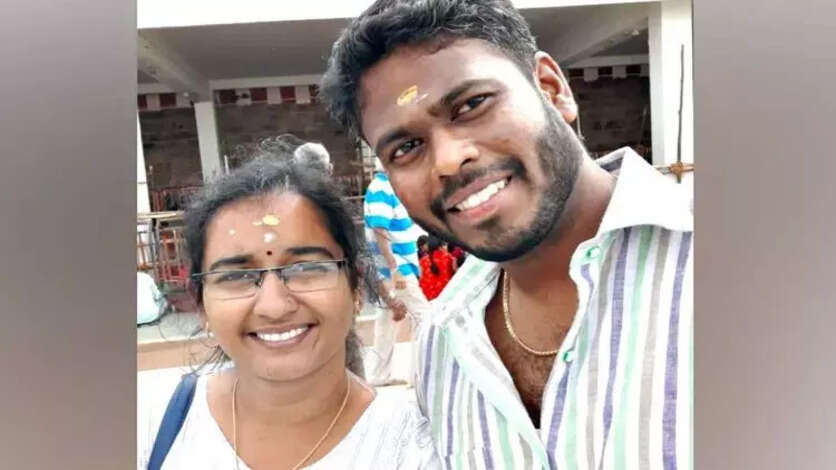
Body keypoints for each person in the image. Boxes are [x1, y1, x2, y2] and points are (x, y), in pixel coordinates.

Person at [321, 1, 694, 469]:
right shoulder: (444, 341)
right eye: (407, 147)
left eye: (471, 105)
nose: (448, 160)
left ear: (551, 89)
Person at [137, 150, 440, 470]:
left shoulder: (413, 451)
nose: (274, 306)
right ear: (201, 305)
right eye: (237, 276)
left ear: (355, 288)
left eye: (306, 268)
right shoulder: (152, 427)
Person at [362, 157, 430, 386]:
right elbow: (379, 230)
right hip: (397, 266)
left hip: (394, 265)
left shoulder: (384, 187)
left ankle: (379, 375)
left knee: (387, 320)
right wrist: (394, 269)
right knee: (423, 316)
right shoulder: (381, 188)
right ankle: (418, 375)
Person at [418, 236, 456, 301]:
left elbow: (421, 280)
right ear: (440, 246)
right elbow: (456, 274)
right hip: (447, 294)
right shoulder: (448, 257)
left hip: (430, 298)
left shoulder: (422, 261)